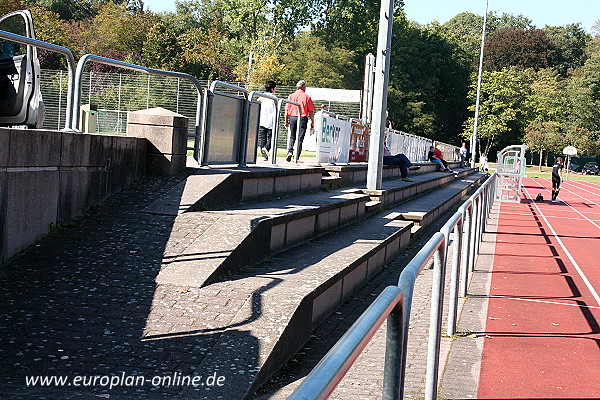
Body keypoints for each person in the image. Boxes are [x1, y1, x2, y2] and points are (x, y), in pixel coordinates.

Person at [285, 80, 315, 162]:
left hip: (292, 117)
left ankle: (290, 151)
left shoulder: (291, 96)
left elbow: (287, 110)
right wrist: (313, 122)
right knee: (300, 138)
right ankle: (296, 156)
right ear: (303, 87)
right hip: (302, 118)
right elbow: (311, 111)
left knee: (292, 136)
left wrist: (286, 121)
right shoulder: (307, 97)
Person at [258, 80, 277, 160]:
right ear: (272, 89)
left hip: (262, 120)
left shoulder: (261, 97)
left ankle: (264, 154)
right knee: (272, 137)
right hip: (271, 121)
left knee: (263, 138)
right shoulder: (274, 98)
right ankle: (266, 148)